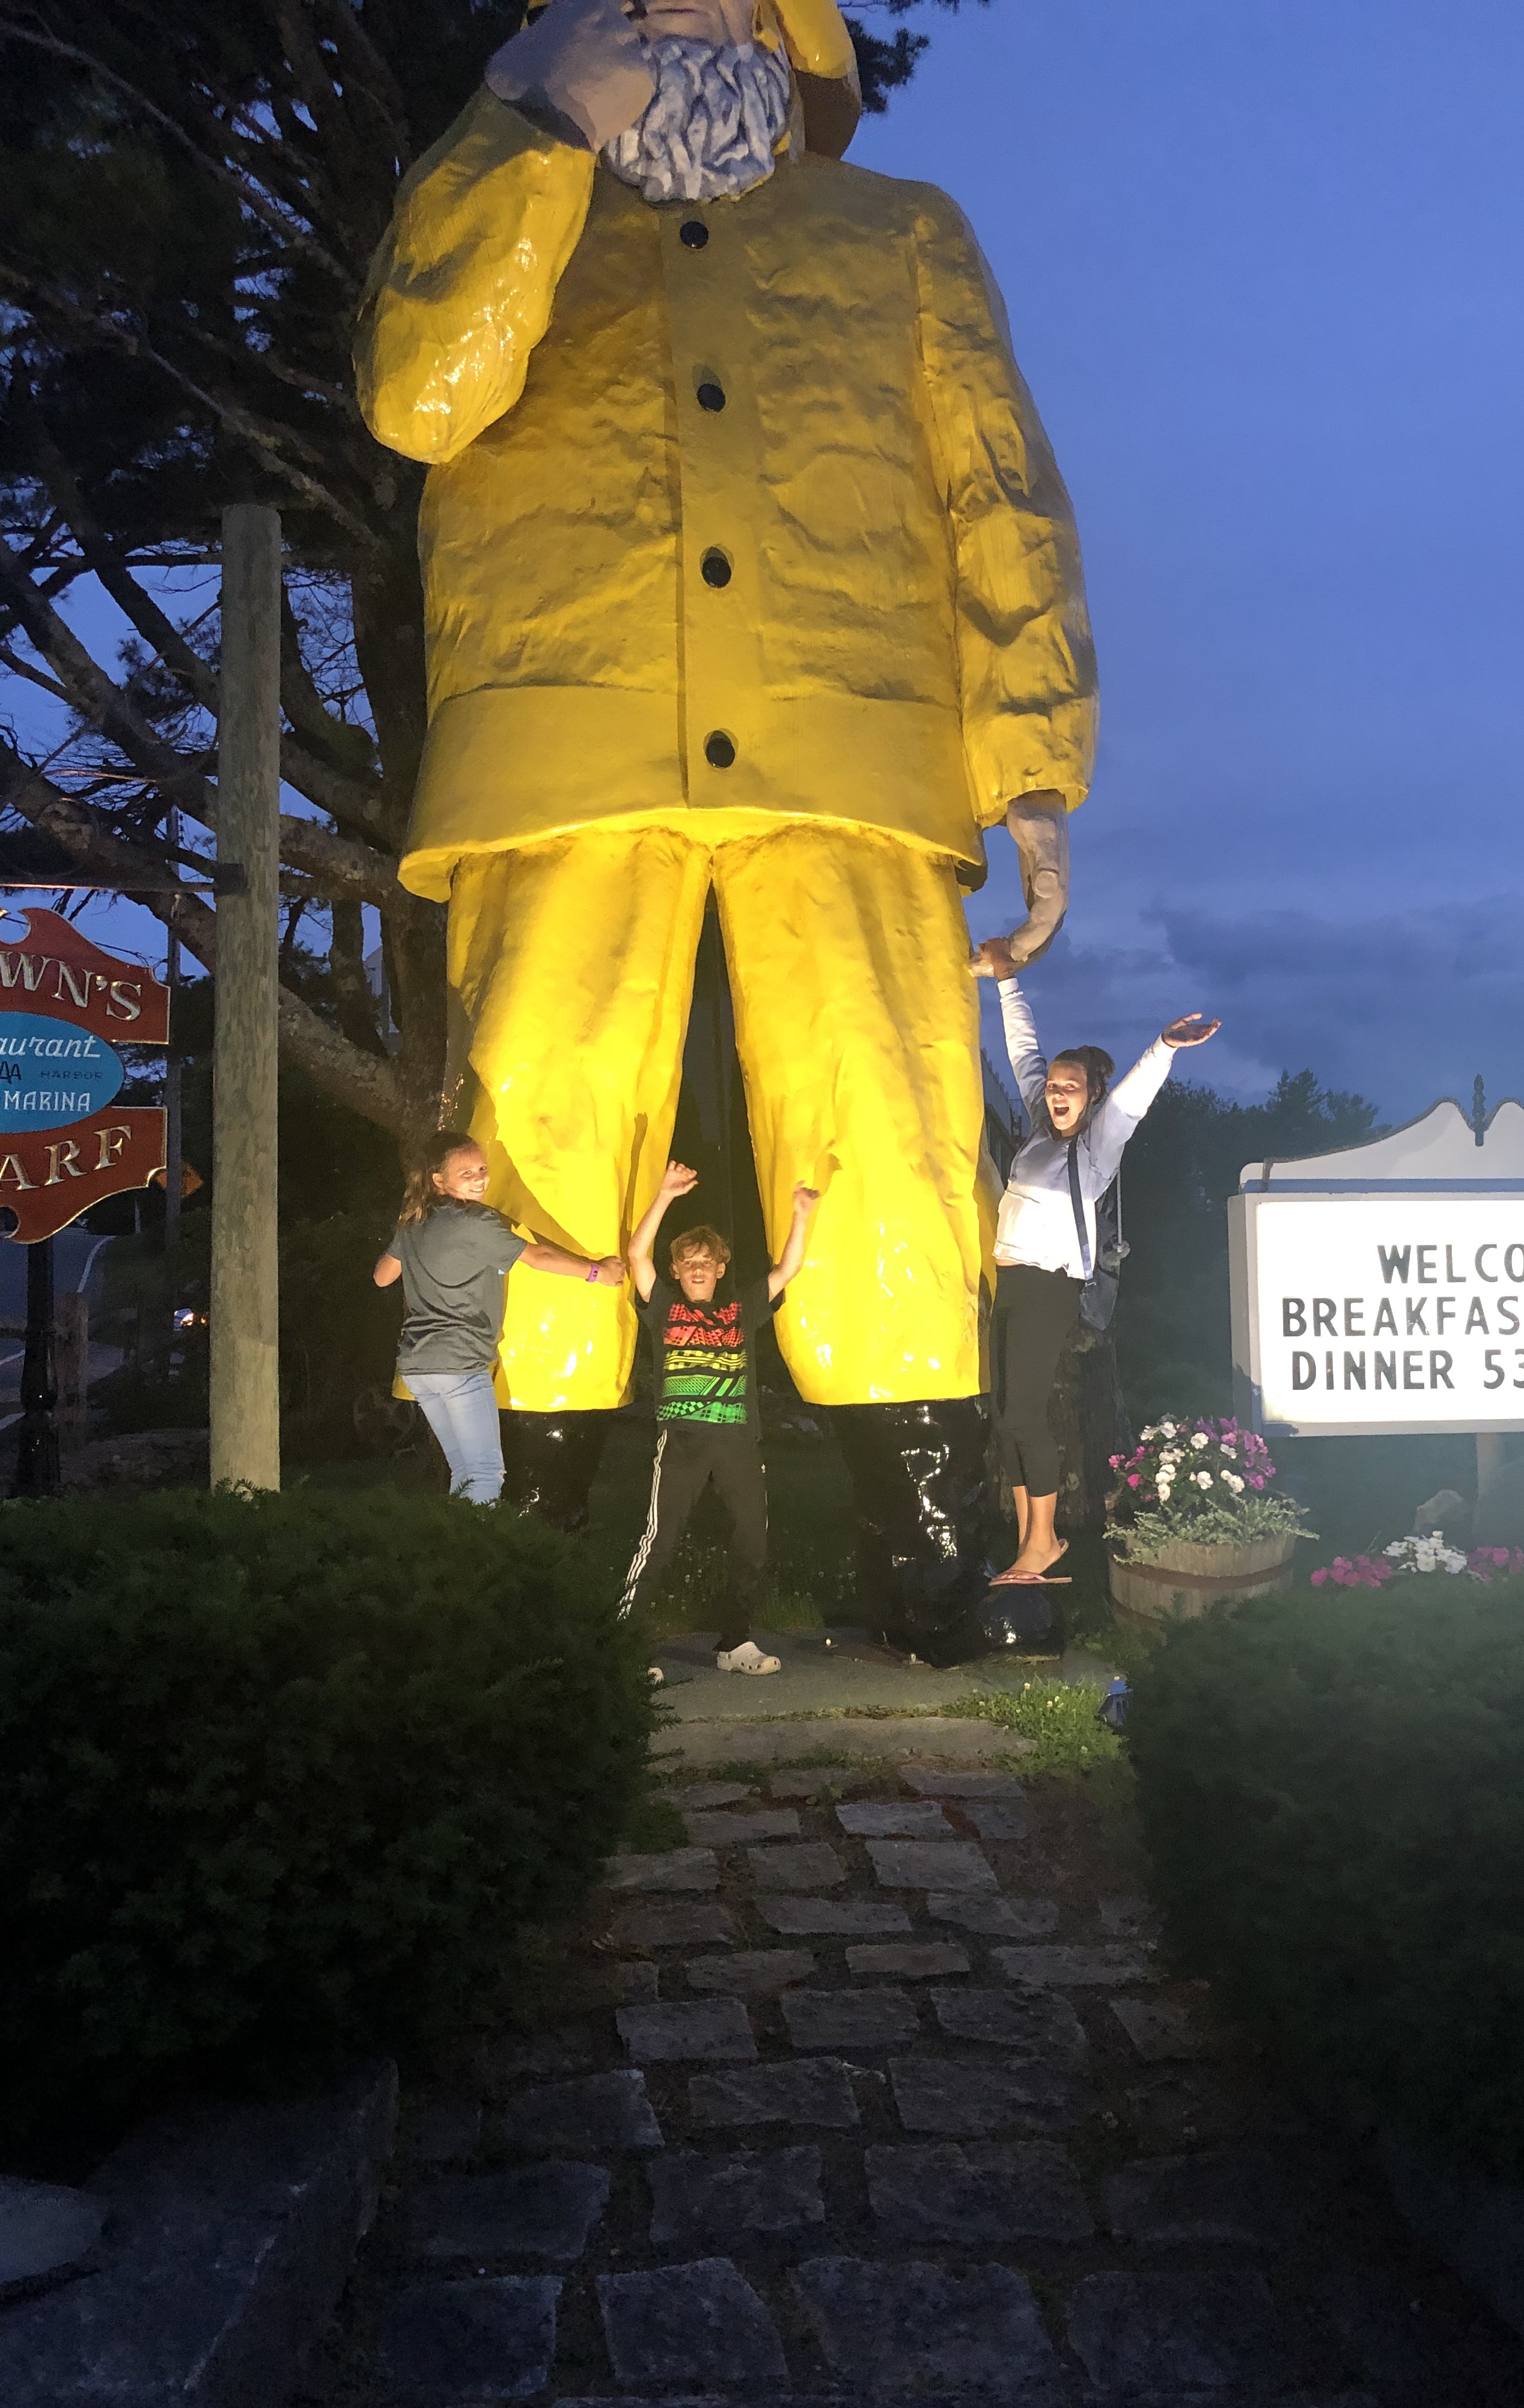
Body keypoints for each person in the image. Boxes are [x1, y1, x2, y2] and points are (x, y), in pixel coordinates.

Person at [353, 0, 1095, 1660]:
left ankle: (931, 1550)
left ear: (788, 31)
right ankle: (512, 1558)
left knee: (890, 1131)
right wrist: (533, 128)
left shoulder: (903, 232)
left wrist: (1034, 767)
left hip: (862, 740)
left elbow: (1002, 494)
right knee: (538, 1120)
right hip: (561, 736)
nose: (678, 7)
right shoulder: (503, 185)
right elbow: (417, 396)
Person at [977, 942, 1219, 1582]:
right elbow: (1024, 1052)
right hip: (1011, 1283)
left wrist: (1163, 1047)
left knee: (1025, 1415)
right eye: (1055, 1087)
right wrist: (1006, 982)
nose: (1058, 1093)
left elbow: (1132, 1102)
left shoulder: (1094, 1150)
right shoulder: (1039, 1129)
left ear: (1090, 1098)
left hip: (1049, 1287)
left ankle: (1045, 1541)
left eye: (1071, 1088)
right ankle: (1030, 1543)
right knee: (1006, 1417)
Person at [617, 1160, 818, 1673]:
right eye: (688, 1263)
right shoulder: (664, 1307)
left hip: (737, 1443)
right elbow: (637, 1254)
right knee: (659, 1541)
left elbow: (786, 1271)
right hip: (683, 1441)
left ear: (721, 1269)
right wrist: (665, 1195)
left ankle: (734, 1644)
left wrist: (801, 1216)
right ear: (676, 1272)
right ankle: (619, 1646)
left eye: (707, 1262)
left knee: (753, 1539)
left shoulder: (740, 1310)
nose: (698, 1269)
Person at [374, 1132, 624, 1503]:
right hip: (460, 1362)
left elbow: (382, 1277)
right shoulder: (475, 1222)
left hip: (419, 1366)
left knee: (464, 1472)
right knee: (486, 1473)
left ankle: (458, 1535)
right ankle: (481, 1539)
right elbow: (538, 1257)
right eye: (467, 1174)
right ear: (438, 1180)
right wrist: (598, 1272)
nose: (479, 1180)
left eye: (482, 1170)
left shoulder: (413, 1223)